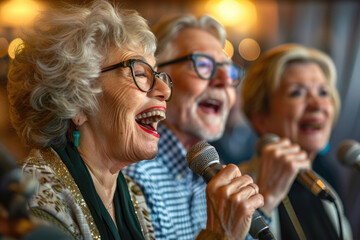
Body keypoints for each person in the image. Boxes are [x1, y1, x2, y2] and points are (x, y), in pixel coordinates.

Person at [7, 1, 264, 239]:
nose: (164, 91)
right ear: (78, 100)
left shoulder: (131, 194)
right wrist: (219, 235)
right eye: (140, 73)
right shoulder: (30, 199)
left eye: (159, 75)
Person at [123, 14, 257, 240]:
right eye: (203, 64)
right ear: (156, 78)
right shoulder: (135, 177)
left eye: (230, 70)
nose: (224, 80)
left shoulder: (212, 169)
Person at [239, 43, 352, 239]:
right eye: (297, 93)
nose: (317, 104)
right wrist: (265, 202)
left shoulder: (326, 183)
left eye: (323, 92)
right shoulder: (238, 188)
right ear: (261, 118)